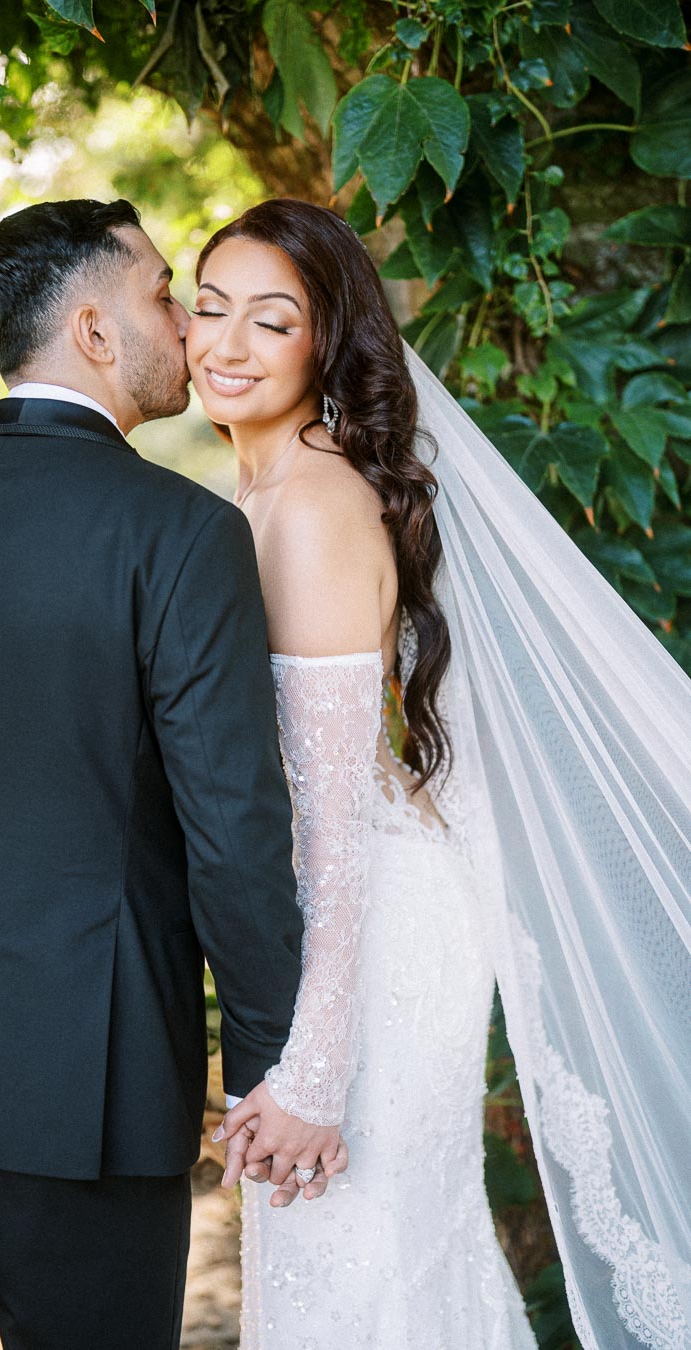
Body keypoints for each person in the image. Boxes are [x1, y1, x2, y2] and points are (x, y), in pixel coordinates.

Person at [0, 197, 341, 1350]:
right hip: (84, 1084)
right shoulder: (180, 533)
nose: (187, 330)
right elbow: (233, 828)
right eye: (161, 296)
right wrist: (271, 1064)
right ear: (93, 330)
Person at [188, 199, 691, 1349]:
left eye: (271, 322)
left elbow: (333, 822)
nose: (226, 344)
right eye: (211, 307)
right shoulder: (264, 491)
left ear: (327, 347)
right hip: (347, 933)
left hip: (374, 940)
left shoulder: (310, 508)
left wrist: (311, 1071)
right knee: (382, 1264)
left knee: (360, 1270)